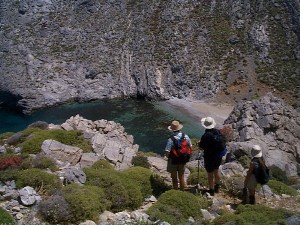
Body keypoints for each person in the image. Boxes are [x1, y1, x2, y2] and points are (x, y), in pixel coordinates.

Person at [198, 116, 223, 196]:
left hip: (209, 157)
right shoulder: (217, 132)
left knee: (210, 174)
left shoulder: (205, 136)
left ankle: (211, 190)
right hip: (218, 156)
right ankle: (217, 187)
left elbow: (201, 147)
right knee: (216, 170)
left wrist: (199, 144)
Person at [165, 120, 192, 190]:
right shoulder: (185, 136)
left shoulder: (171, 139)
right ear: (179, 128)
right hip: (182, 160)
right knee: (181, 176)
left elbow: (167, 151)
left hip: (173, 161)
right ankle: (182, 190)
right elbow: (190, 146)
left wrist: (169, 157)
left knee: (174, 178)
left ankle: (175, 191)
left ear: (172, 130)